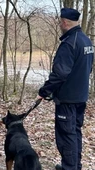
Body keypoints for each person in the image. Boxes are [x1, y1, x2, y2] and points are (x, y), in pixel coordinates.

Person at [38, 8, 94, 170]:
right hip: (81, 97)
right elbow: (88, 68)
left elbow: (59, 74)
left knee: (66, 136)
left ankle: (70, 167)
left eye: (60, 22)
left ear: (64, 22)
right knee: (75, 133)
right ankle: (74, 165)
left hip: (68, 99)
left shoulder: (69, 43)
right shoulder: (86, 41)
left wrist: (44, 91)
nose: (59, 24)